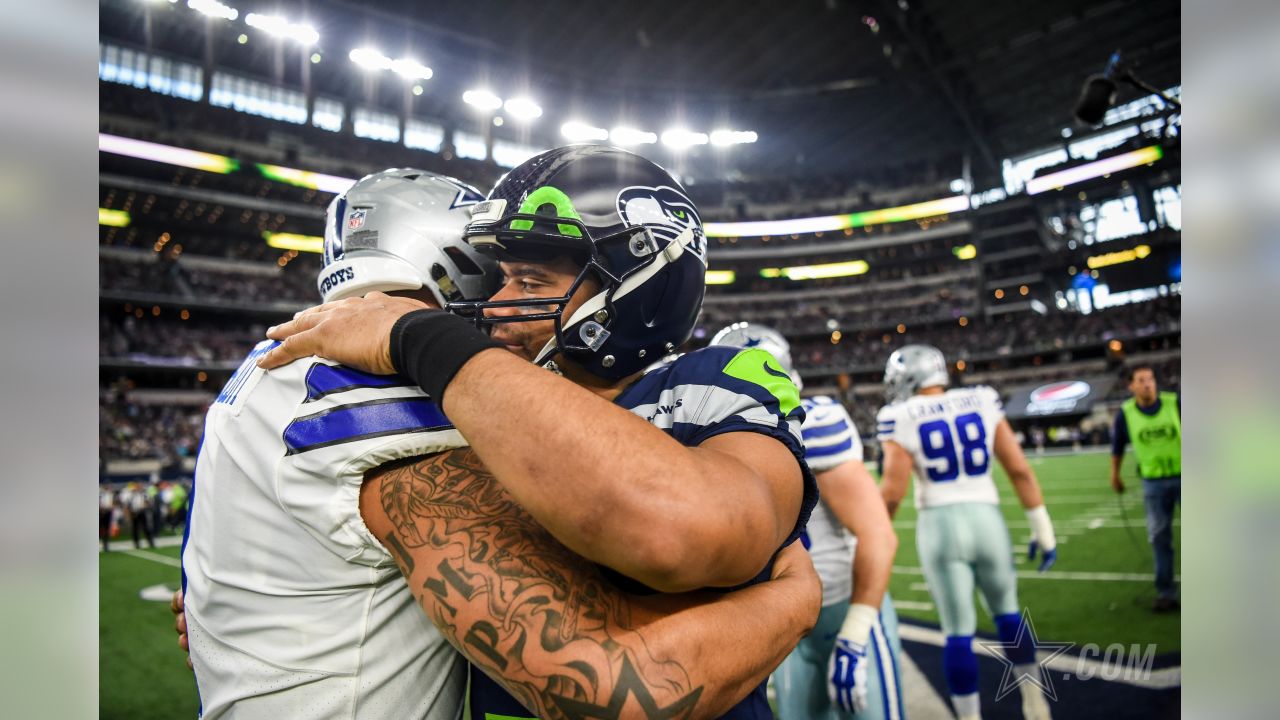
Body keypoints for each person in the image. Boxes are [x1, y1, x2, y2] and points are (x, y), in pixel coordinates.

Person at [179, 165, 819, 720]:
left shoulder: (717, 378)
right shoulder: (397, 389)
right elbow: (623, 683)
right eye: (494, 278)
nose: (493, 305)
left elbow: (684, 526)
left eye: (528, 282)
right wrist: (793, 598)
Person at [710, 323, 904, 720]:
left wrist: (856, 632)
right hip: (782, 622)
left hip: (842, 612)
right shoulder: (707, 437)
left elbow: (878, 535)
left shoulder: (813, 421)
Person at [876, 345, 1058, 720]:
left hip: (940, 525)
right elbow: (1020, 469)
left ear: (909, 378)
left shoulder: (900, 414)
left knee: (957, 632)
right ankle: (1036, 705)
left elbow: (892, 493)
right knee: (1009, 614)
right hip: (986, 519)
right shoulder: (981, 398)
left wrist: (873, 538)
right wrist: (1044, 530)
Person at [1110, 364, 1181, 611]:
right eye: (1141, 380)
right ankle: (1166, 593)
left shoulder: (1175, 403)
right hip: (1153, 483)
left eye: (1150, 378)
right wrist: (1115, 475)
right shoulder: (1125, 413)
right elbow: (1117, 447)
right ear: (1131, 386)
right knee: (1159, 538)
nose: (1148, 383)